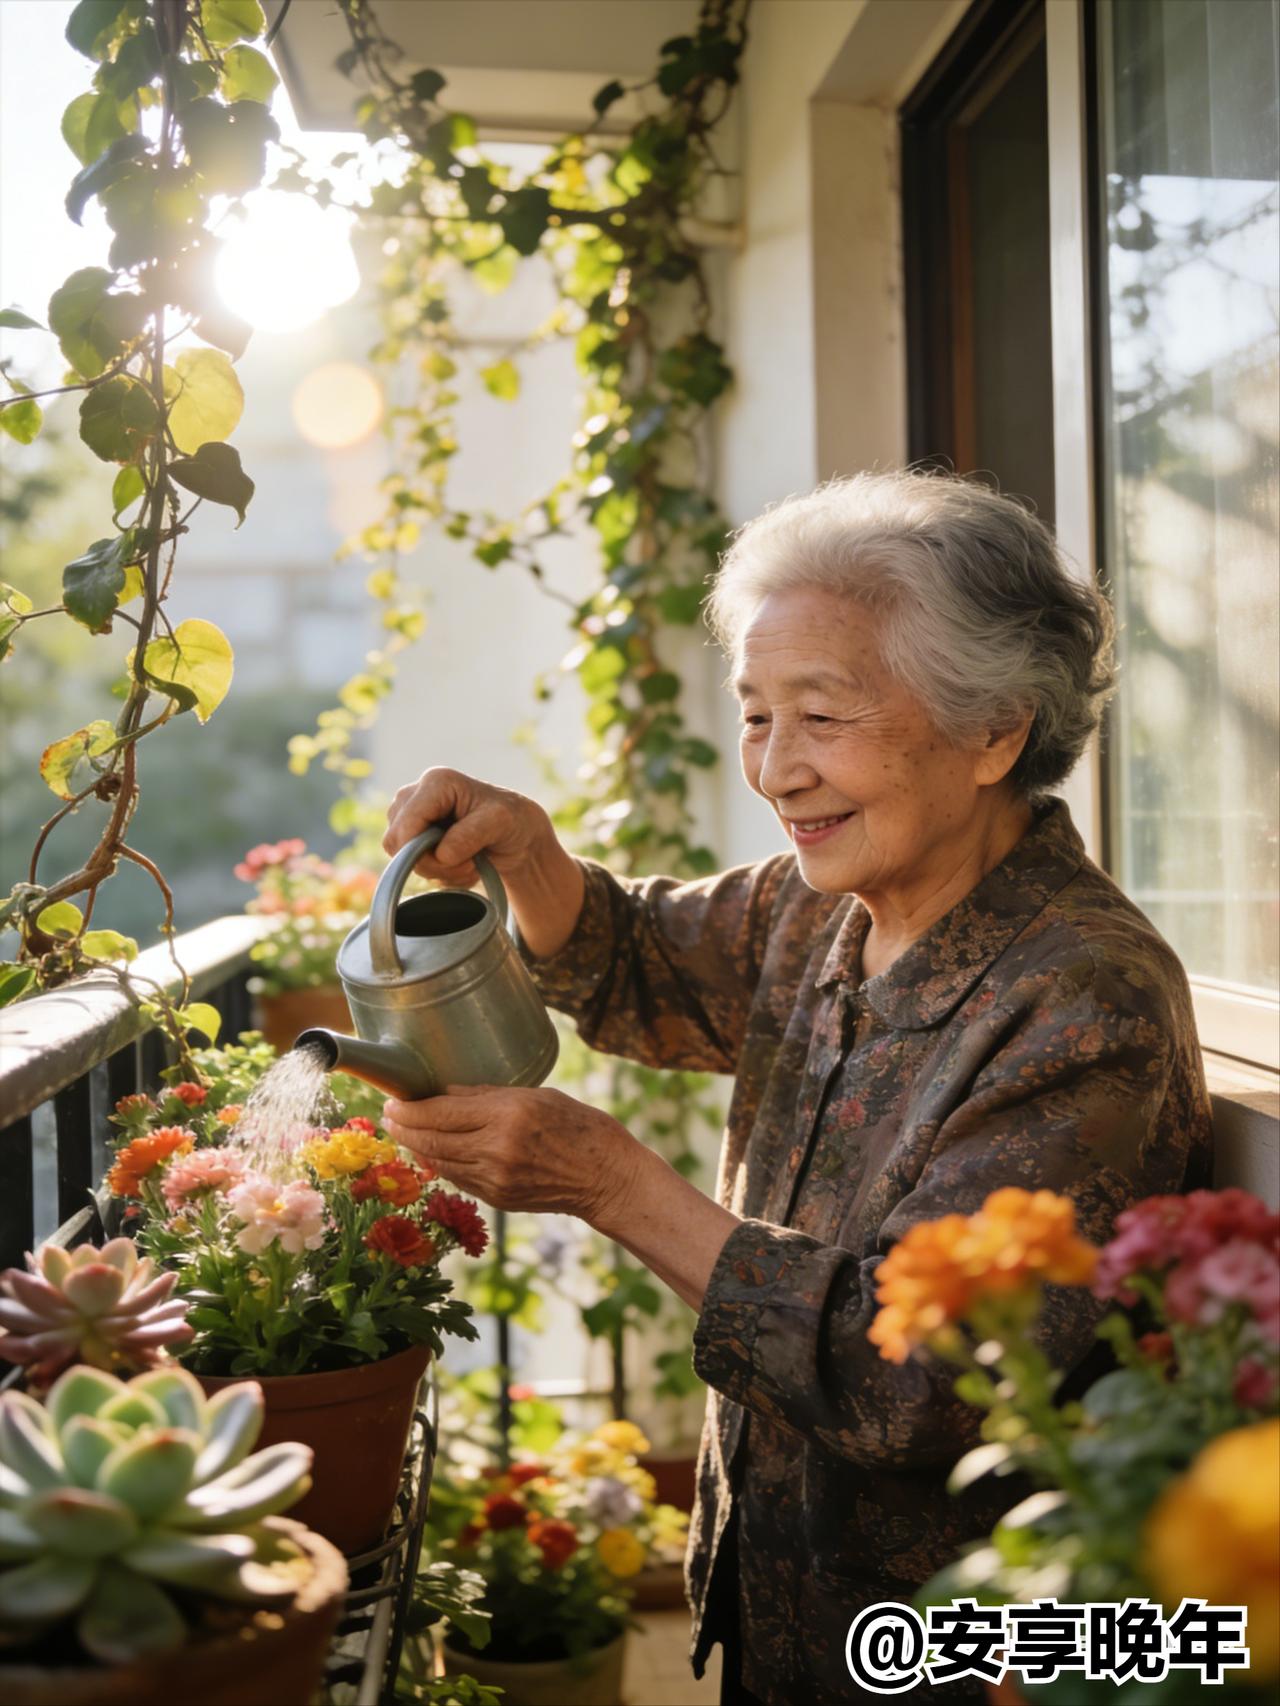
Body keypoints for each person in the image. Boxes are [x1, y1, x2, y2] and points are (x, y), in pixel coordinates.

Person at [380, 470, 1213, 1706]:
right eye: (754, 714)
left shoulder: (1082, 996)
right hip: (784, 1612)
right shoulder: (814, 905)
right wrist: (531, 853)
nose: (775, 770)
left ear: (993, 729)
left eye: (821, 717)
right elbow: (639, 960)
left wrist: (611, 1181)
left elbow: (913, 1377)